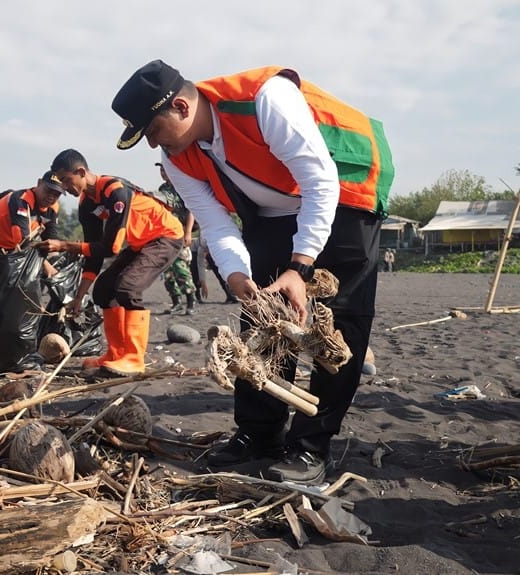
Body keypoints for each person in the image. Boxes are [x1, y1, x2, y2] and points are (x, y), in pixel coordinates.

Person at [111, 60, 393, 484]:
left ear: (183, 107)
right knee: (260, 316)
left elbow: (320, 181)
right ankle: (258, 435)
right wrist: (238, 276)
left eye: (152, 131)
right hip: (275, 206)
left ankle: (309, 447)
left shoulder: (265, 101)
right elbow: (217, 223)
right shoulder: (176, 159)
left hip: (346, 188)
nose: (153, 145)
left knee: (340, 322)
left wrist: (300, 267)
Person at [35, 149, 184, 377]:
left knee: (127, 288)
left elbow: (112, 247)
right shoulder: (86, 204)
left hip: (166, 236)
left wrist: (65, 245)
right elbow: (94, 252)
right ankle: (116, 355)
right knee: (103, 290)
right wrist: (79, 296)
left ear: (81, 171)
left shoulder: (116, 191)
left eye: (67, 180)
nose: (65, 188)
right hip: (140, 243)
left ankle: (134, 358)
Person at [0, 171, 65, 317]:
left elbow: (51, 238)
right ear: (38, 184)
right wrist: (45, 265)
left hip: (12, 245)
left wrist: (56, 264)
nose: (51, 197)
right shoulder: (22, 201)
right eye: (48, 190)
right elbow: (22, 239)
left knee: (8, 284)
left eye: (56, 194)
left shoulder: (53, 208)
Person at [153, 162, 197, 315]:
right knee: (167, 270)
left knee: (181, 268)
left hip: (180, 232)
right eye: (161, 170)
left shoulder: (182, 186)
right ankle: (176, 301)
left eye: (165, 169)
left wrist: (188, 233)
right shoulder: (162, 190)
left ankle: (191, 301)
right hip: (166, 233)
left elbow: (191, 210)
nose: (163, 173)